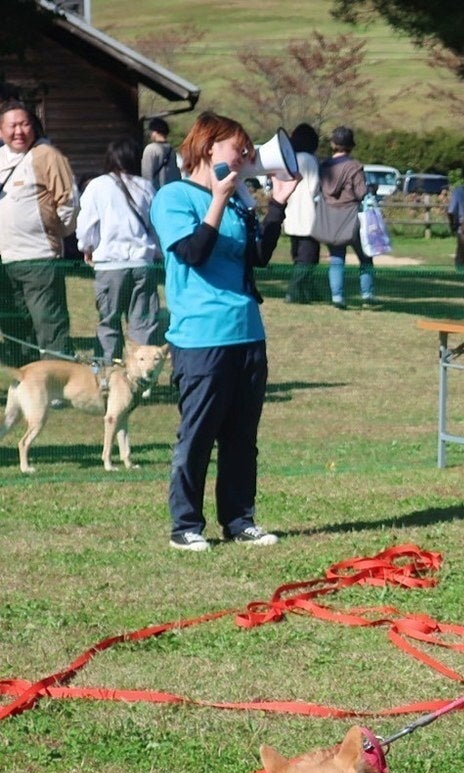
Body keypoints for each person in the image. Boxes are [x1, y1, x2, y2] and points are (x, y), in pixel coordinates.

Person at [149, 110, 297, 552]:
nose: (247, 156)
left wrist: (278, 206)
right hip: (201, 337)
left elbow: (258, 257)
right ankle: (185, 526)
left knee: (241, 437)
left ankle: (238, 520)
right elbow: (193, 252)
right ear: (209, 145)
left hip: (247, 333)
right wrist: (217, 199)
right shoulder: (174, 196)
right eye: (239, 147)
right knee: (198, 434)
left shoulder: (236, 199)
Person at [0, 99, 77, 360]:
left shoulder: (47, 155)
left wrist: (54, 233)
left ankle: (56, 379)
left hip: (40, 258)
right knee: (15, 327)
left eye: (24, 124)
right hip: (5, 260)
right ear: (1, 130)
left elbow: (69, 202)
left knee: (49, 325)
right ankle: (26, 379)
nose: (18, 131)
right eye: (12, 126)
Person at [75, 138, 162, 366]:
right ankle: (140, 375)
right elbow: (156, 227)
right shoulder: (147, 187)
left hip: (110, 263)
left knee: (109, 322)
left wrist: (87, 247)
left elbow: (86, 225)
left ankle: (107, 374)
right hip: (142, 263)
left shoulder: (97, 186)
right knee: (143, 324)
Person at [318, 126, 375, 309]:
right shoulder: (354, 167)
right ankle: (367, 294)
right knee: (365, 257)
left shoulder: (323, 166)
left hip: (330, 217)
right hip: (351, 216)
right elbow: (361, 192)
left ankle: (337, 297)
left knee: (336, 258)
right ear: (351, 145)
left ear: (333, 144)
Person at [281, 123, 320, 304]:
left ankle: (307, 292)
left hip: (290, 213)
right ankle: (294, 292)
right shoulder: (310, 160)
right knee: (308, 258)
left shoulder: (289, 159)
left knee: (297, 255)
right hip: (308, 215)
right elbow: (314, 188)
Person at [141, 117, 180, 188]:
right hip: (170, 190)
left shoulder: (150, 149)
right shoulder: (172, 150)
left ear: (155, 132)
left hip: (156, 191)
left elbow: (146, 175)